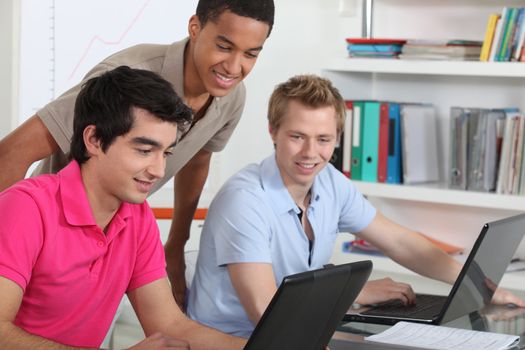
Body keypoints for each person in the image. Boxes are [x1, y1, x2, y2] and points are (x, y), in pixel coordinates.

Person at [187, 74, 525, 337]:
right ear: (273, 131)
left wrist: (479, 286)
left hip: (300, 333)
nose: (310, 153)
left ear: (337, 139)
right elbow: (264, 310)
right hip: (234, 340)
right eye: (297, 136)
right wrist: (355, 293)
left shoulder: (330, 182)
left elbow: (402, 243)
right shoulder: (245, 201)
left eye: (323, 139)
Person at [0, 0, 275, 307]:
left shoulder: (232, 96)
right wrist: (12, 244)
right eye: (224, 46)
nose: (235, 67)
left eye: (251, 54)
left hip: (113, 242)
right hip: (48, 239)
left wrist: (175, 245)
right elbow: (10, 154)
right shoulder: (126, 77)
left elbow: (198, 159)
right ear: (195, 28)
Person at [0, 66, 246, 349]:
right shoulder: (25, 208)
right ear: (93, 140)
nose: (158, 170)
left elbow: (170, 326)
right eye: (144, 151)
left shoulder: (137, 217)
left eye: (165, 153)